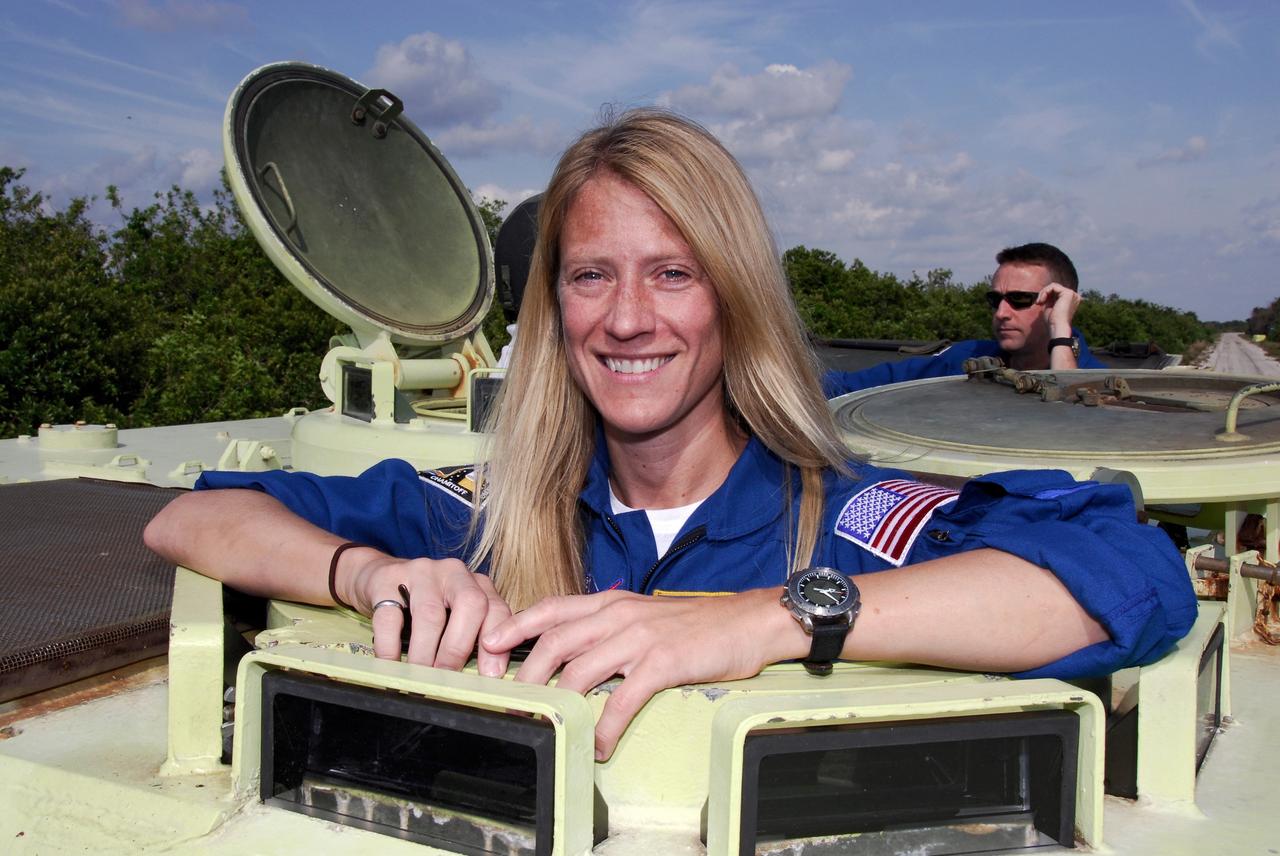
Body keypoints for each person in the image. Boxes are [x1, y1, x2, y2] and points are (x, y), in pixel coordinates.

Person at [145, 110, 1195, 762]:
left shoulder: (849, 515)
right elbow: (195, 516)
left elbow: (1129, 570)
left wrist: (766, 620)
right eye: (590, 275)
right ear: (554, 307)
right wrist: (373, 573)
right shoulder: (487, 512)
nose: (626, 318)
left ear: (734, 297)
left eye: (673, 273)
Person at [823, 242, 1105, 397]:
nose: (1001, 312)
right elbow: (857, 385)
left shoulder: (1102, 381)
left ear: (1057, 303)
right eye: (995, 300)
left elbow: (1073, 421)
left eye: (1019, 299)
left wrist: (1060, 332)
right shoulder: (970, 358)